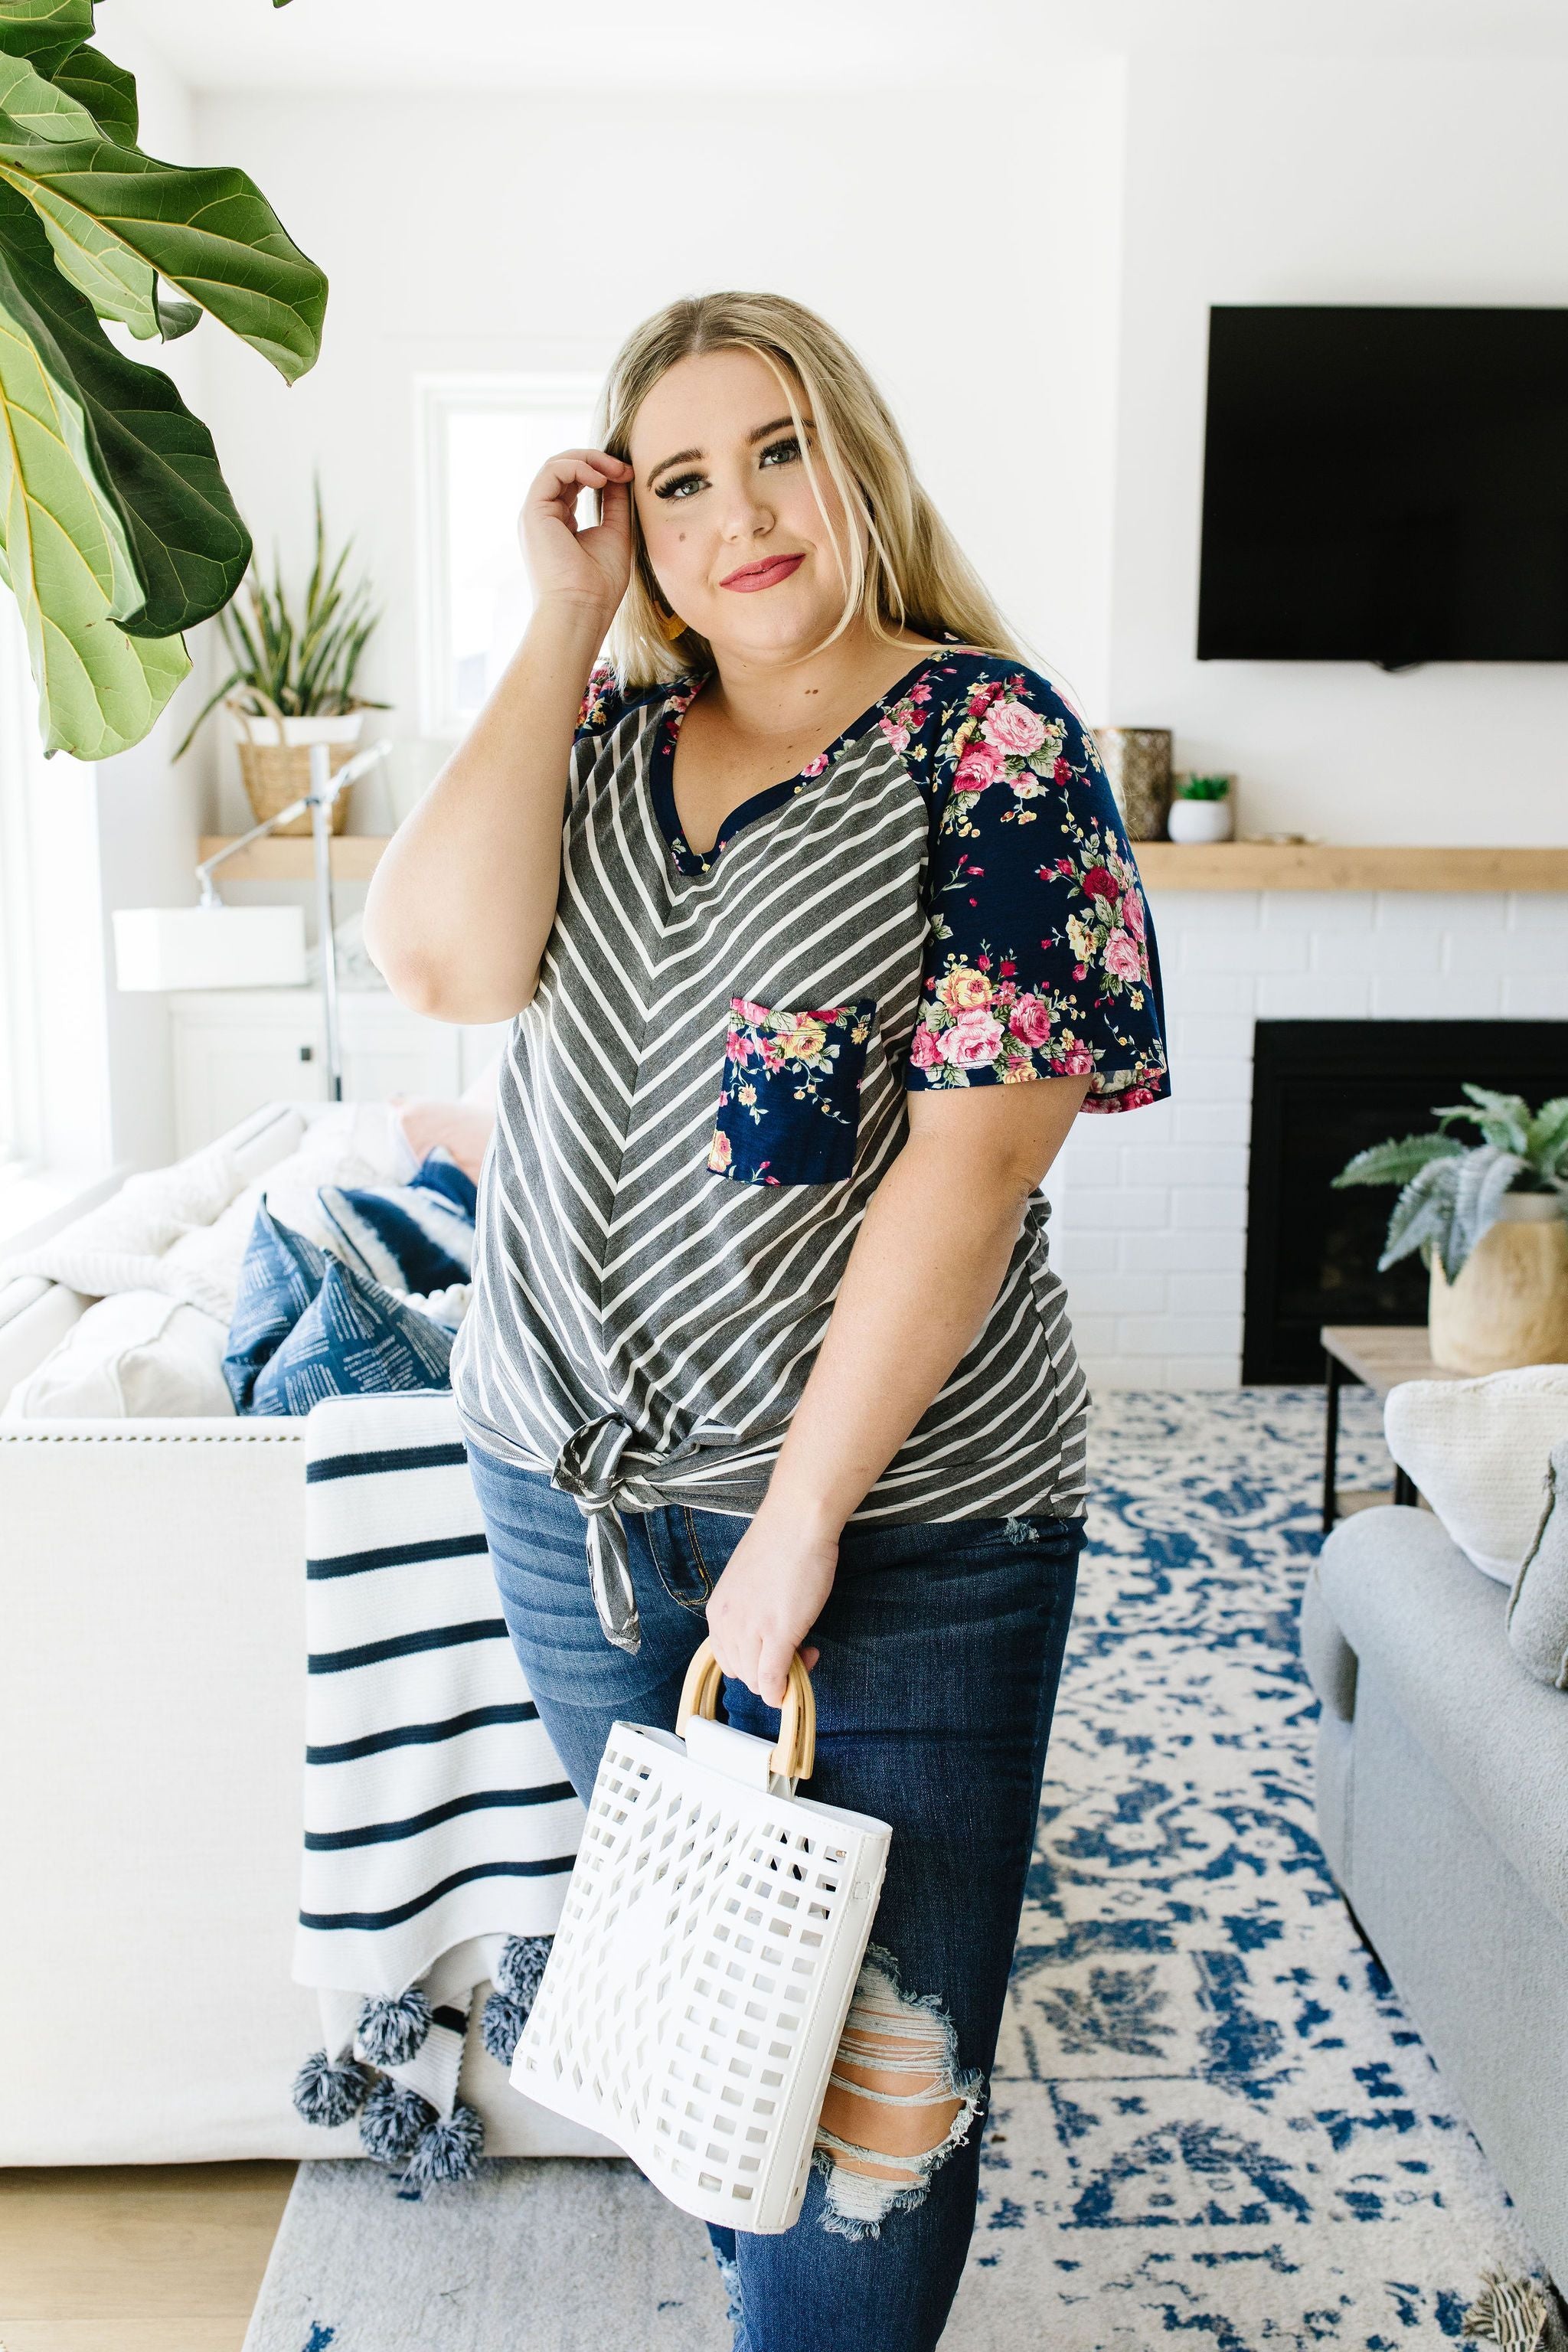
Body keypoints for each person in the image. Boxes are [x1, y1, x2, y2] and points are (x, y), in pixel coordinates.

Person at [364, 290, 1169, 2352]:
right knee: (711, 2026)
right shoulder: (605, 741)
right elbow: (444, 965)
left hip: (898, 1536)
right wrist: (557, 627)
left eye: (781, 447)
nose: (745, 512)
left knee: (874, 2114)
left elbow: (978, 1166)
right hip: (572, 1501)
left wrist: (803, 1526)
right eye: (684, 478)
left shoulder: (992, 742)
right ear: (631, 517)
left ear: (858, 458)